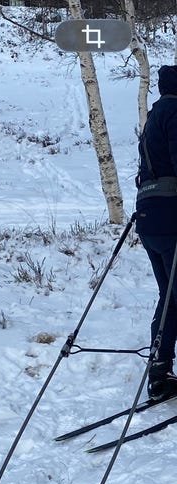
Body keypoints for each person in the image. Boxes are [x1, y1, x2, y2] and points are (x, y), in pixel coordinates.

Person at [136, 65, 177, 399]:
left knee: (170, 296)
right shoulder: (175, 111)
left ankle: (160, 372)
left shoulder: (152, 117)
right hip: (171, 217)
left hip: (149, 217)